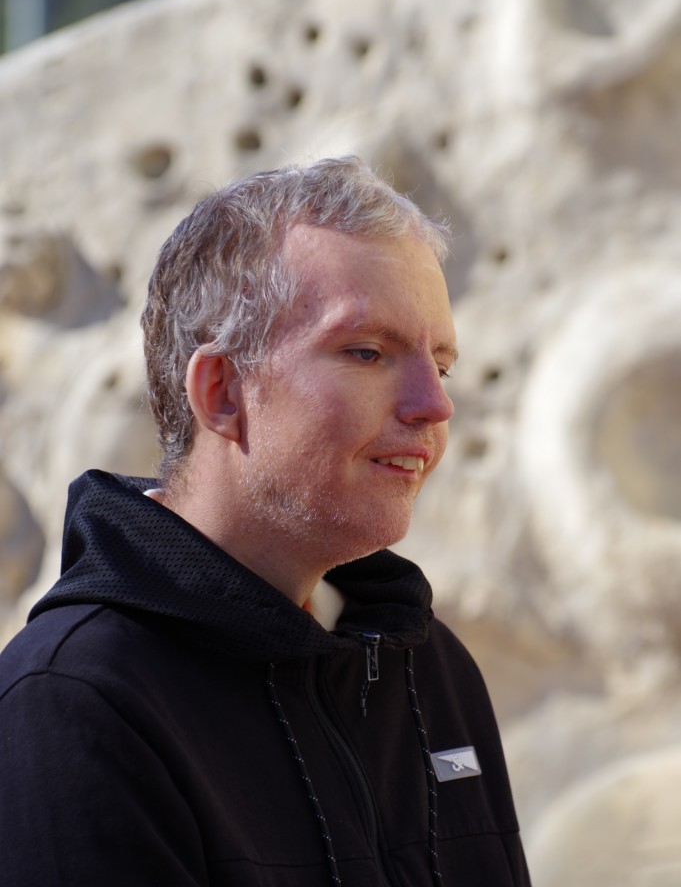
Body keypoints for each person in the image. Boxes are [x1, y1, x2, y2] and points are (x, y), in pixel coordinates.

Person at [0, 157, 531, 886]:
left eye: (440, 365)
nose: (433, 406)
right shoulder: (72, 703)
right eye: (368, 352)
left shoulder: (428, 667)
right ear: (222, 392)